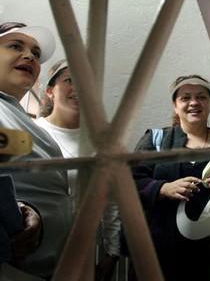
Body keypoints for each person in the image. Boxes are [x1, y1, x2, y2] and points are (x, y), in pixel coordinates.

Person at [35, 59, 120, 280]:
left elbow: (110, 202)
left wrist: (112, 253)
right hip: (29, 253)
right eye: (70, 80)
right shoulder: (32, 133)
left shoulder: (101, 142)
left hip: (81, 258)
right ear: (50, 91)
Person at [0, 22, 72, 279]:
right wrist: (15, 209)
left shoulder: (23, 121)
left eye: (36, 53)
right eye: (15, 46)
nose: (30, 55)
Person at [131, 75, 210, 280]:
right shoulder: (156, 141)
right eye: (185, 97)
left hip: (209, 256)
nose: (194, 102)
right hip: (159, 253)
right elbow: (128, 183)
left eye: (201, 97)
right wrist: (162, 189)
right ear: (175, 105)